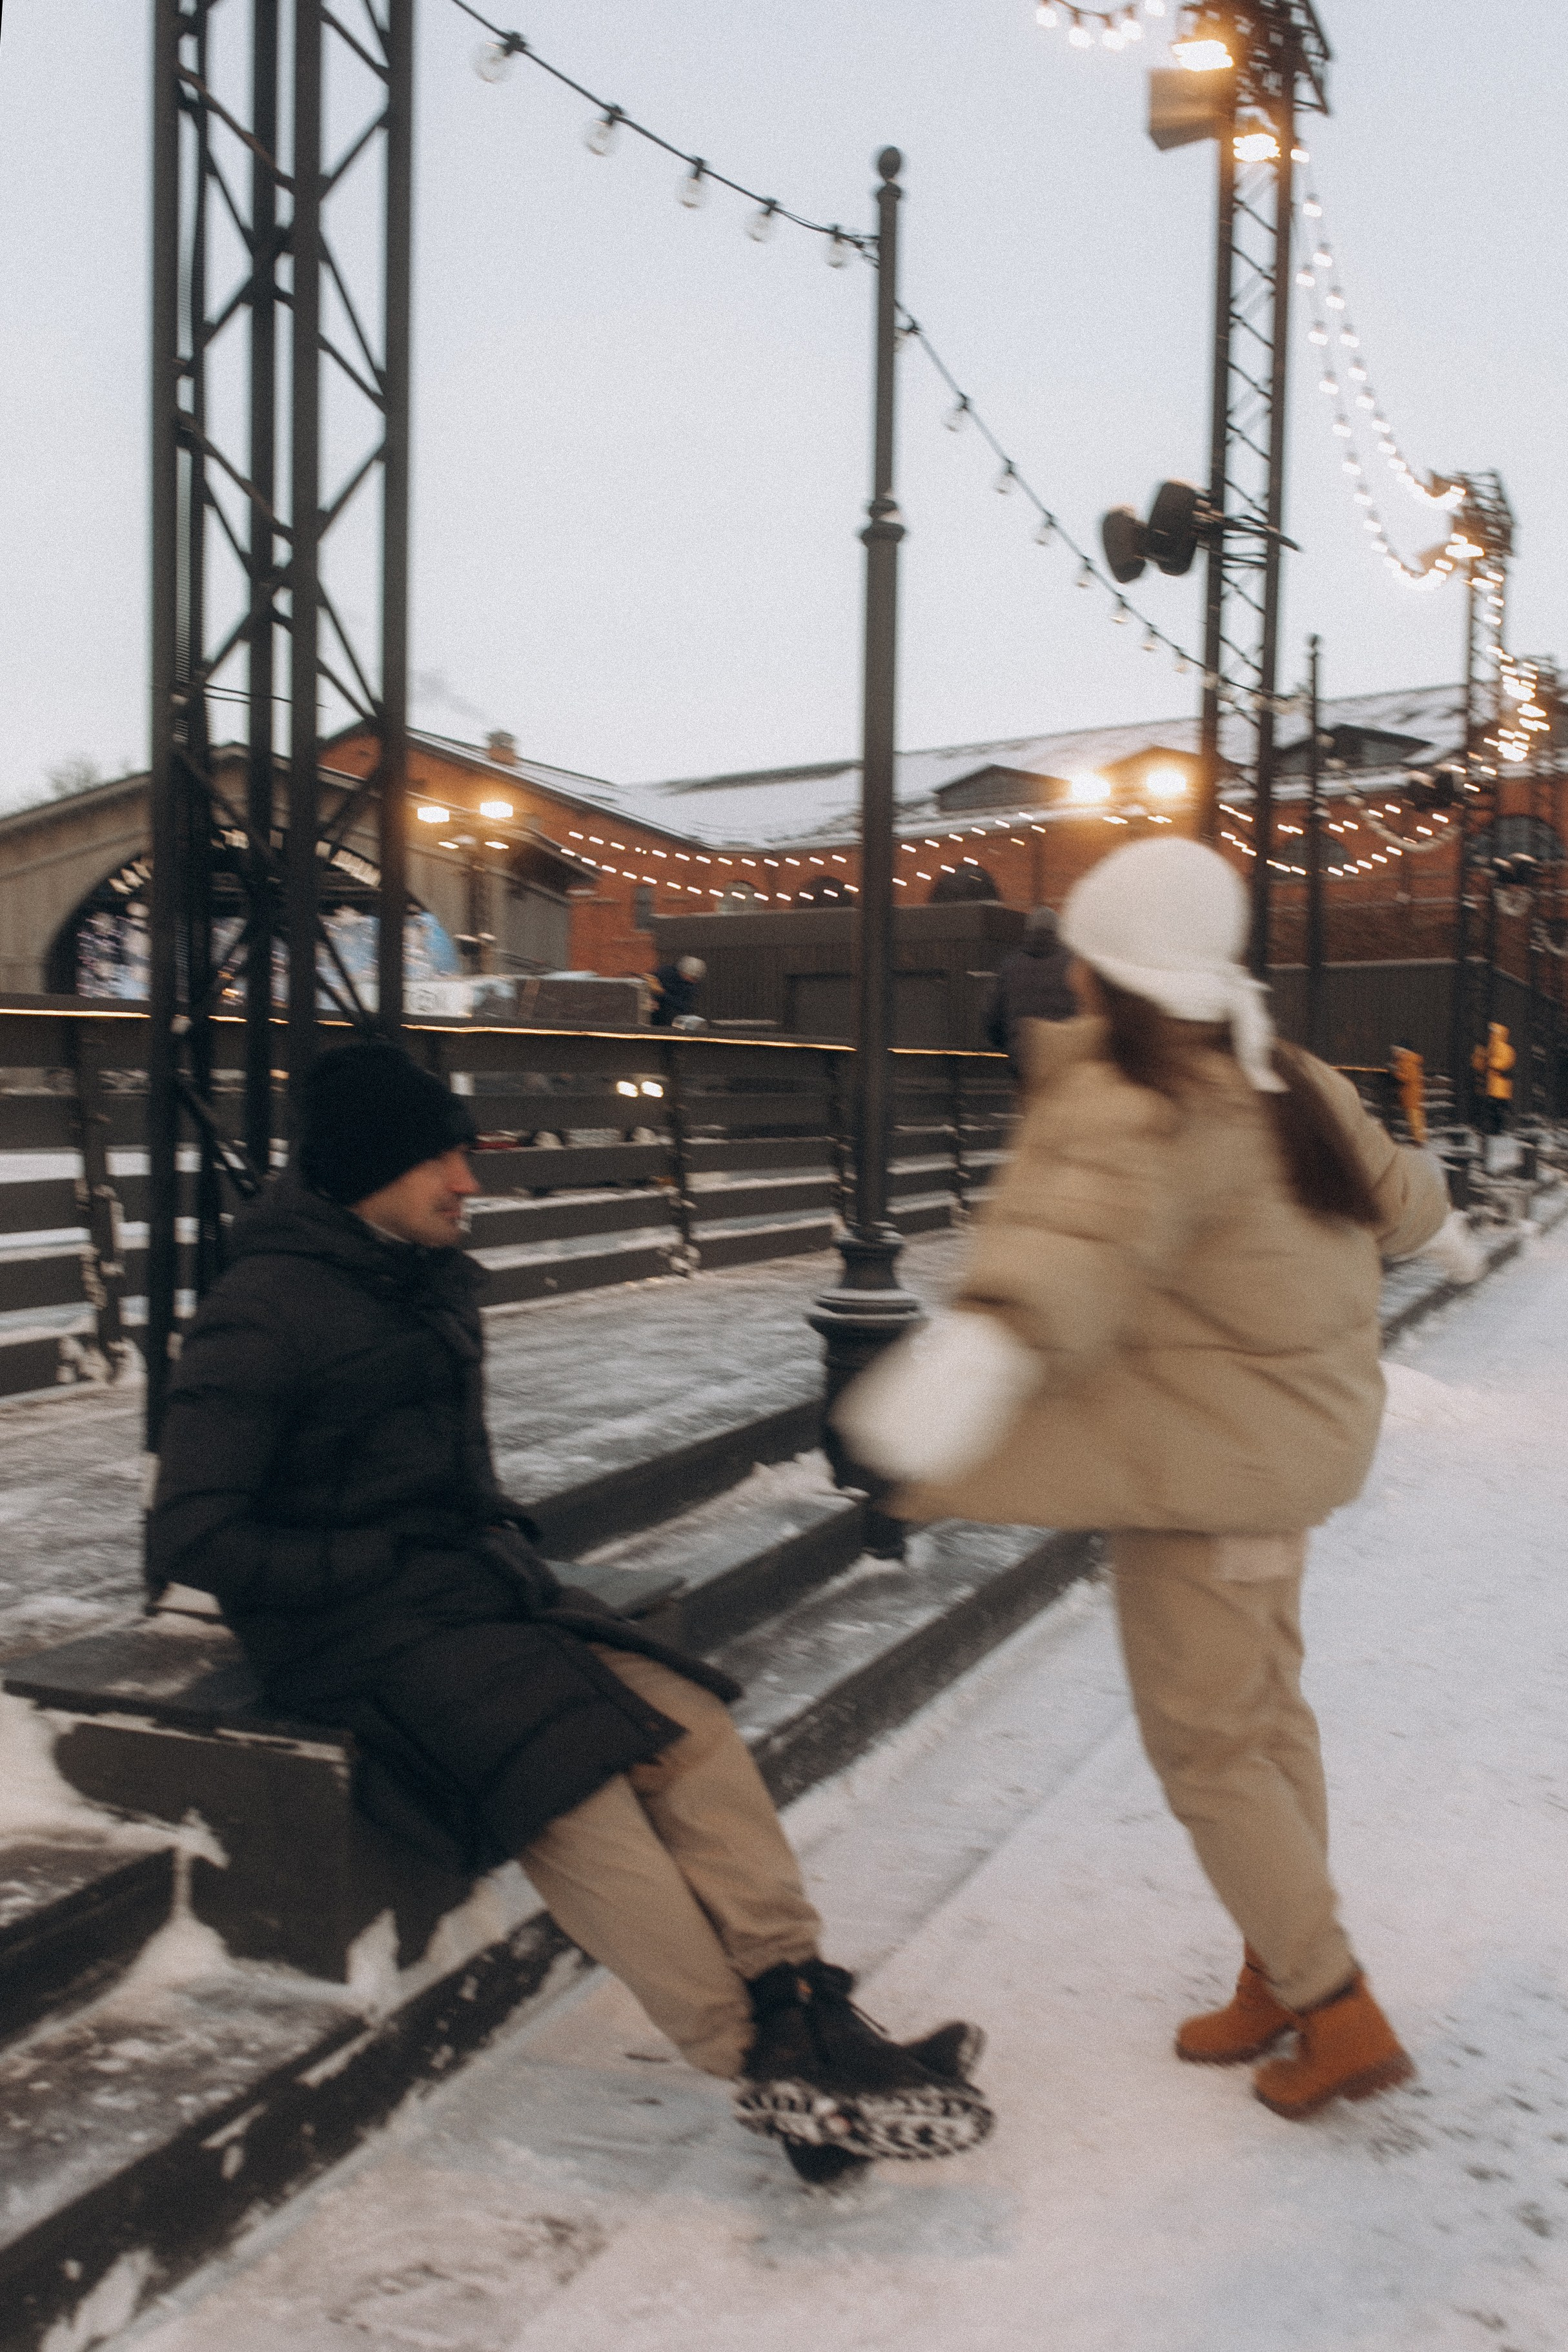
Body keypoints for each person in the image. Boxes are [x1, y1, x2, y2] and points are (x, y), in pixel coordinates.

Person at [147, 1042, 990, 2186]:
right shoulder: (259, 1312)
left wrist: (480, 1541)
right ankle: (765, 2064)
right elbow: (191, 1537)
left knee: (689, 1722)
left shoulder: (419, 1276)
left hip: (465, 1597)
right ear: (369, 1168)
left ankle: (808, 2010)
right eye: (443, 1158)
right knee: (571, 1785)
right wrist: (382, 1555)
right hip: (344, 1633)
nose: (469, 1181)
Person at [838, 838, 1479, 2123]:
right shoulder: (1278, 1071)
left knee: (1209, 1745)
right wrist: (1450, 1235)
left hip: (1205, 1480)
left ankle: (1334, 2010)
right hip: (1279, 1460)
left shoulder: (1142, 1092)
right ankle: (1279, 1971)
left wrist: (964, 1365)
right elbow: (1399, 1192)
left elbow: (1062, 1254)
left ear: (1110, 964)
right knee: (1263, 1720)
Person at [984, 906, 1077, 1080]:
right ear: (1059, 931)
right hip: (1065, 1065)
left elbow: (992, 1019)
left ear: (1028, 931)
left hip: (1024, 1065)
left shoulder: (1010, 966)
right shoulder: (1072, 966)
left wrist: (1011, 1046)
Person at [1471, 1021, 1515, 1134]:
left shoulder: (1504, 1048)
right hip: (1490, 1086)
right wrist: (1480, 1058)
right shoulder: (1489, 1047)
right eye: (1490, 1032)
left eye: (1493, 1032)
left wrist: (1490, 1062)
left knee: (1496, 1111)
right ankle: (1491, 1130)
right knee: (1490, 1110)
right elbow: (1480, 1065)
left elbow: (1505, 1063)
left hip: (1499, 1088)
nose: (1491, 1034)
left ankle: (1497, 1131)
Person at [648, 954, 707, 1029]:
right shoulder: (665, 973)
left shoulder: (691, 988)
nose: (694, 981)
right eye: (693, 977)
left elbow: (684, 1006)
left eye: (696, 979)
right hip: (653, 1016)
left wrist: (663, 994)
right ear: (684, 972)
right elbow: (649, 983)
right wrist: (652, 999)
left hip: (670, 1021)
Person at [1389, 1039, 1427, 1145]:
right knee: (1413, 1117)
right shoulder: (1403, 1062)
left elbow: (1408, 1078)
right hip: (1409, 1094)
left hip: (1412, 1094)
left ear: (1403, 1052)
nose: (1395, 1054)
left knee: (1414, 1118)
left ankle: (1419, 1140)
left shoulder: (1409, 1062)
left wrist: (1396, 1072)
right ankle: (1417, 1138)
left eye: (1397, 1051)